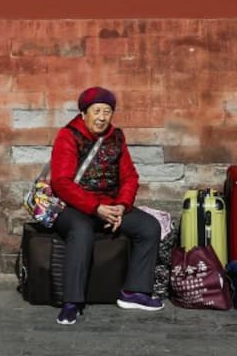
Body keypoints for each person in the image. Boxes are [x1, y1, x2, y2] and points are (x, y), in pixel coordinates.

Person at [49, 86, 163, 325]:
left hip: (109, 207)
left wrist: (121, 206)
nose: (102, 117)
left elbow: (130, 177)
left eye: (107, 111)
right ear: (84, 113)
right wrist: (95, 208)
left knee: (149, 227)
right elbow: (61, 183)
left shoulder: (116, 138)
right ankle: (72, 302)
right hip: (71, 206)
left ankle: (134, 292)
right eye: (97, 111)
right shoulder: (68, 136)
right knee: (81, 230)